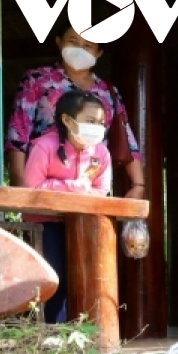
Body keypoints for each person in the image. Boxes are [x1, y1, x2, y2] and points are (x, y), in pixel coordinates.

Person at [7, 23, 145, 198]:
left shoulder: (108, 92)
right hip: (44, 186)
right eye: (73, 41)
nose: (80, 49)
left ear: (99, 53)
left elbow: (128, 140)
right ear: (59, 42)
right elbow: (18, 134)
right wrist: (19, 184)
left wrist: (138, 184)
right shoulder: (37, 80)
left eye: (88, 45)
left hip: (91, 189)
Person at [22, 89, 112, 323]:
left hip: (82, 224)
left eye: (101, 122)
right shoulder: (44, 146)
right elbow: (34, 187)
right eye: (90, 121)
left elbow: (101, 190)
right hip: (44, 225)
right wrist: (77, 187)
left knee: (85, 279)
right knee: (53, 278)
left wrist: (68, 188)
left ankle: (80, 334)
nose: (97, 127)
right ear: (67, 120)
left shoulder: (101, 153)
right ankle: (50, 333)